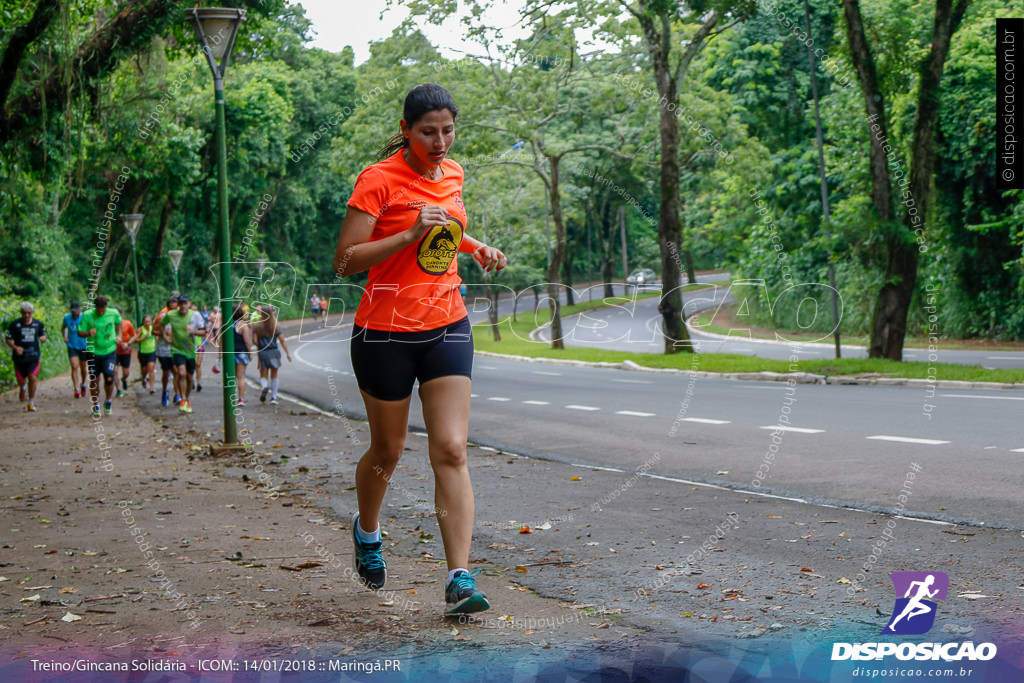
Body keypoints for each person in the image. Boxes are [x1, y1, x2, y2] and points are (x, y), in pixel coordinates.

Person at [333, 83, 506, 615]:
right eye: (428, 132)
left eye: (448, 130)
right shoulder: (378, 180)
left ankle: (459, 579)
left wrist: (475, 247)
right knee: (387, 452)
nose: (440, 141)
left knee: (451, 448)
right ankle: (367, 532)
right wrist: (407, 234)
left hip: (446, 324)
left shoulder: (453, 173)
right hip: (385, 332)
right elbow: (345, 261)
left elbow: (449, 223)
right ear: (406, 130)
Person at [78, 296, 121, 416]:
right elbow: (79, 332)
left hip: (110, 351)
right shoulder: (87, 315)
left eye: (103, 309)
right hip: (93, 352)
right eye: (99, 310)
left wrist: (119, 335)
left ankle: (108, 401)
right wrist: (88, 333)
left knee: (109, 377)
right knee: (94, 380)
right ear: (95, 307)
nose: (101, 312)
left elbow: (119, 323)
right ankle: (96, 404)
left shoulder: (113, 313)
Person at [6, 301, 47, 412]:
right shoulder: (15, 325)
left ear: (32, 313)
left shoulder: (38, 324)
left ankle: (31, 402)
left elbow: (43, 334)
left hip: (33, 356)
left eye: (29, 313)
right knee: (21, 381)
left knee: (32, 378)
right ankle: (22, 388)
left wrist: (43, 338)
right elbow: (8, 339)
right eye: (24, 313)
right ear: (21, 312)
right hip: (19, 358)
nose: (26, 315)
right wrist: (15, 347)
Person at [166, 294, 204, 413]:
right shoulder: (171, 315)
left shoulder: (196, 315)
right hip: (177, 349)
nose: (183, 305)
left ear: (189, 304)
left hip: (191, 350)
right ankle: (182, 399)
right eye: (181, 303)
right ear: (178, 304)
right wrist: (164, 336)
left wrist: (193, 331)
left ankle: (187, 398)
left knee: (189, 377)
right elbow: (159, 324)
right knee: (181, 373)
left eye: (185, 303)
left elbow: (204, 331)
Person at [253, 305, 291, 405]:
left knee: (263, 375)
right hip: (274, 352)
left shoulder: (257, 326)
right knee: (274, 376)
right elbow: (282, 340)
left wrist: (261, 344)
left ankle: (264, 387)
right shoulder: (275, 326)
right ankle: (274, 397)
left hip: (263, 353)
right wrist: (287, 353)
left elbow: (255, 341)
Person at [153, 297, 178, 407]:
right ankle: (164, 392)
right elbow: (153, 331)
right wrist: (163, 335)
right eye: (171, 309)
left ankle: (178, 394)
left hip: (176, 349)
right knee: (166, 373)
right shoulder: (161, 318)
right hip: (163, 349)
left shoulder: (180, 318)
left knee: (177, 371)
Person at [61, 302, 89, 398]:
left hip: (83, 345)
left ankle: (83, 383)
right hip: (72, 345)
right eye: (73, 311)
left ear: (79, 309)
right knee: (74, 366)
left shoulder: (85, 317)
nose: (74, 313)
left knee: (83, 367)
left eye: (76, 311)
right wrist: (64, 337)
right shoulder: (67, 318)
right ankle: (76, 389)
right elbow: (63, 328)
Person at [230, 303, 254, 405]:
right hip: (242, 352)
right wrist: (250, 353)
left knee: (233, 376)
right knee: (241, 376)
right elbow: (247, 341)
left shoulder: (228, 324)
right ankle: (240, 398)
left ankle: (231, 397)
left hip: (231, 353)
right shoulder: (243, 325)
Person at [114, 309, 135, 397]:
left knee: (126, 372)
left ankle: (124, 379)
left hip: (125, 350)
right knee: (114, 371)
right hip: (114, 350)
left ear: (122, 314)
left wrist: (128, 343)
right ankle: (118, 390)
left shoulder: (127, 323)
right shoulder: (111, 324)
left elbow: (134, 335)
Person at [134, 314, 157, 393]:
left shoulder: (153, 329)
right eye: (146, 321)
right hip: (143, 352)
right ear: (143, 322)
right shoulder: (140, 329)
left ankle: (152, 387)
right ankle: (143, 378)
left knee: (151, 369)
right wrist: (144, 338)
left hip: (152, 352)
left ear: (151, 322)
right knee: (144, 370)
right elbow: (136, 340)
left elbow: (157, 337)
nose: (147, 323)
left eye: (149, 321)